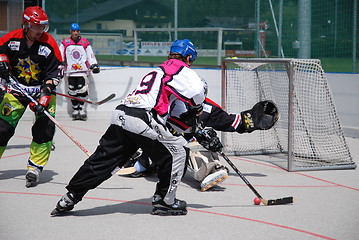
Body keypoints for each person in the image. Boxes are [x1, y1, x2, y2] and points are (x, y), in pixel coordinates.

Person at [51, 39, 206, 216]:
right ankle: (165, 200)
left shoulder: (159, 70)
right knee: (179, 150)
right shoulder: (180, 68)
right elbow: (197, 93)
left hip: (122, 114)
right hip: (142, 118)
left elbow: (175, 118)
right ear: (188, 57)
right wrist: (197, 108)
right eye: (191, 60)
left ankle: (70, 196)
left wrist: (195, 128)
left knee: (104, 161)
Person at [119, 97, 251, 191]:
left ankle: (212, 169)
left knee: (202, 141)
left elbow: (226, 120)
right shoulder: (166, 103)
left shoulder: (206, 107)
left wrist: (249, 121)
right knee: (184, 146)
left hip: (174, 146)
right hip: (159, 144)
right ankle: (143, 161)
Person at [0, 6, 63, 187]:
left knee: (45, 129)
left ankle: (35, 167)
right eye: (37, 27)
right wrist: (2, 62)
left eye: (43, 26)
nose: (41, 30)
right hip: (17, 89)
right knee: (2, 128)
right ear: (26, 26)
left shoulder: (49, 43)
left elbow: (56, 73)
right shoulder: (11, 38)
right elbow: (0, 51)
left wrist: (45, 96)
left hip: (42, 90)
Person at [59, 23, 100, 121]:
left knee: (82, 90)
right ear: (70, 32)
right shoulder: (65, 42)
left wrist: (93, 64)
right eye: (73, 31)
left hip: (82, 71)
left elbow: (90, 55)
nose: (75, 33)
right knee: (72, 90)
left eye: (77, 31)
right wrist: (59, 66)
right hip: (70, 71)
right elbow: (60, 55)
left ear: (79, 31)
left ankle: (81, 110)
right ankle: (75, 110)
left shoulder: (85, 43)